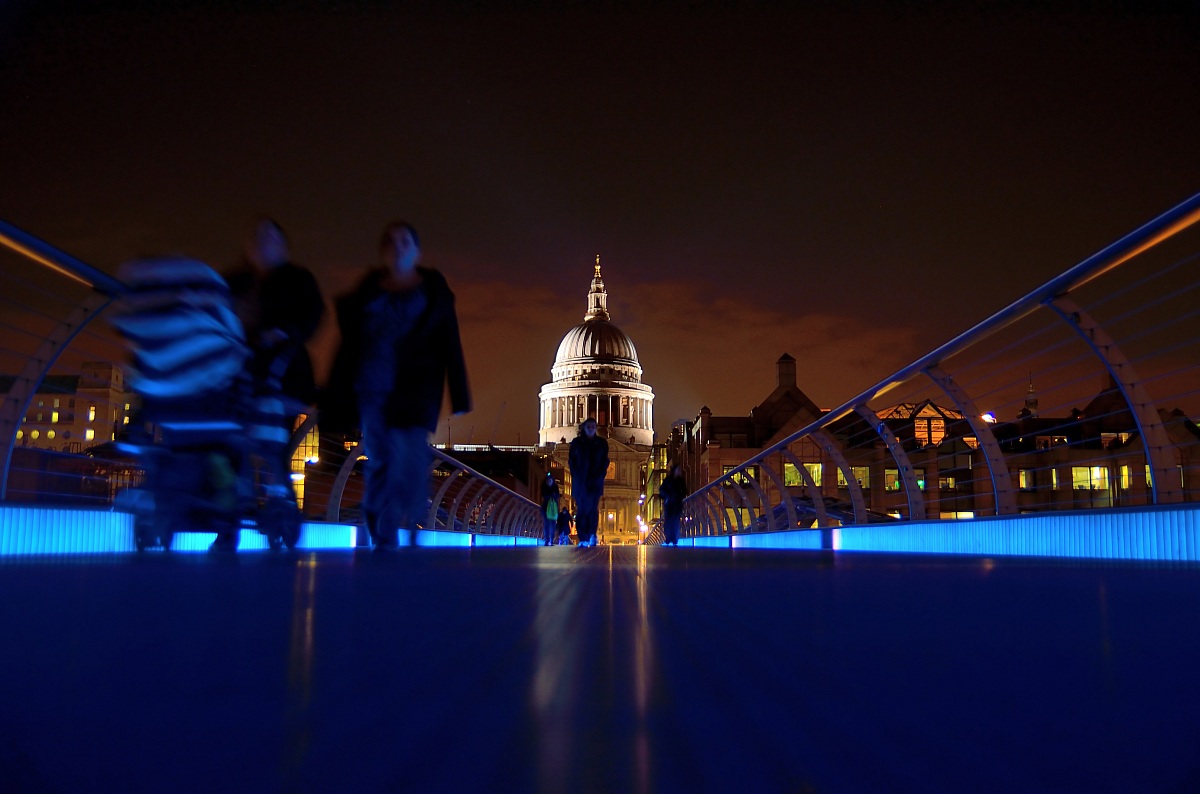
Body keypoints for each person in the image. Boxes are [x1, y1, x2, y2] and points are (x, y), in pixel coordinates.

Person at [323, 221, 471, 550]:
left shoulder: (434, 291)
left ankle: (406, 516)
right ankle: (381, 519)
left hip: (416, 389)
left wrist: (460, 393)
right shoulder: (369, 289)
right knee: (380, 458)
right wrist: (334, 390)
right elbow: (350, 343)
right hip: (373, 386)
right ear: (383, 251)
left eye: (405, 241)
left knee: (410, 455)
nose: (398, 246)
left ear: (417, 250)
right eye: (391, 241)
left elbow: (450, 342)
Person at [225, 217, 325, 405]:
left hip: (283, 369)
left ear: (283, 247)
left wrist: (283, 332)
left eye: (269, 236)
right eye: (256, 235)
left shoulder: (299, 279)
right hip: (233, 368)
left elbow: (312, 315)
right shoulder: (232, 281)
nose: (261, 240)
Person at [568, 417, 608, 548]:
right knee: (582, 510)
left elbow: (605, 461)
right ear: (583, 428)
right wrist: (576, 475)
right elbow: (571, 461)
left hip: (595, 481)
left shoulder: (602, 443)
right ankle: (583, 537)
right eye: (589, 425)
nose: (591, 427)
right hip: (581, 481)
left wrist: (601, 474)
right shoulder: (576, 443)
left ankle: (591, 534)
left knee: (592, 509)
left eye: (593, 425)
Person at [659, 463, 688, 546]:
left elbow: (685, 491)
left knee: (675, 521)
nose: (679, 472)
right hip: (669, 504)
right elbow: (661, 490)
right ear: (674, 471)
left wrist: (680, 496)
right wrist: (667, 496)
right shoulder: (668, 480)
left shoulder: (681, 481)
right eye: (678, 470)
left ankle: (674, 538)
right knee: (669, 521)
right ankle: (669, 537)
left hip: (677, 504)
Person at [541, 472, 561, 546]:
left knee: (552, 525)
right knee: (546, 524)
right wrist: (551, 496)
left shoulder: (555, 487)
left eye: (550, 480)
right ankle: (547, 540)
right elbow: (544, 495)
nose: (549, 482)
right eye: (547, 480)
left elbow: (557, 497)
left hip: (552, 509)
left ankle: (551, 540)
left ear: (552, 481)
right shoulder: (544, 487)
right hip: (545, 508)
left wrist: (551, 496)